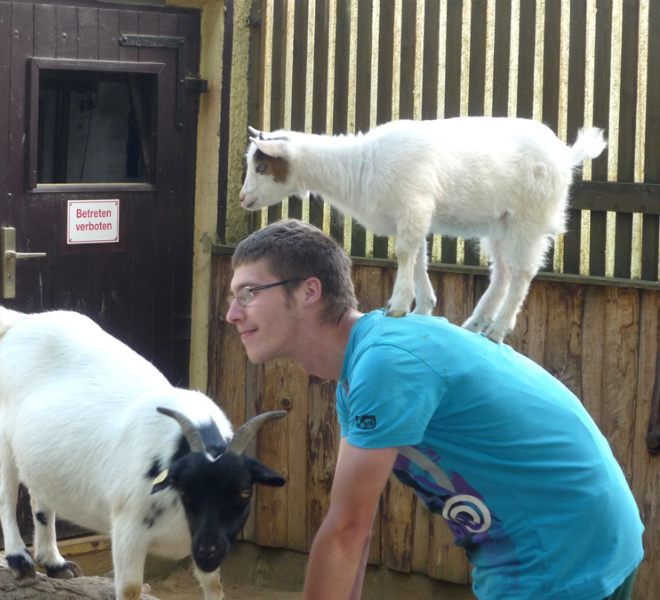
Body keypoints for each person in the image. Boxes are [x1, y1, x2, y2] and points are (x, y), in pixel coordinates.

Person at [225, 219, 643, 600]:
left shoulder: (386, 362)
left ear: (308, 291)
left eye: (248, 292)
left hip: (562, 552)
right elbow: (354, 525)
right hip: (561, 543)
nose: (231, 314)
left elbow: (345, 535)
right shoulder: (360, 371)